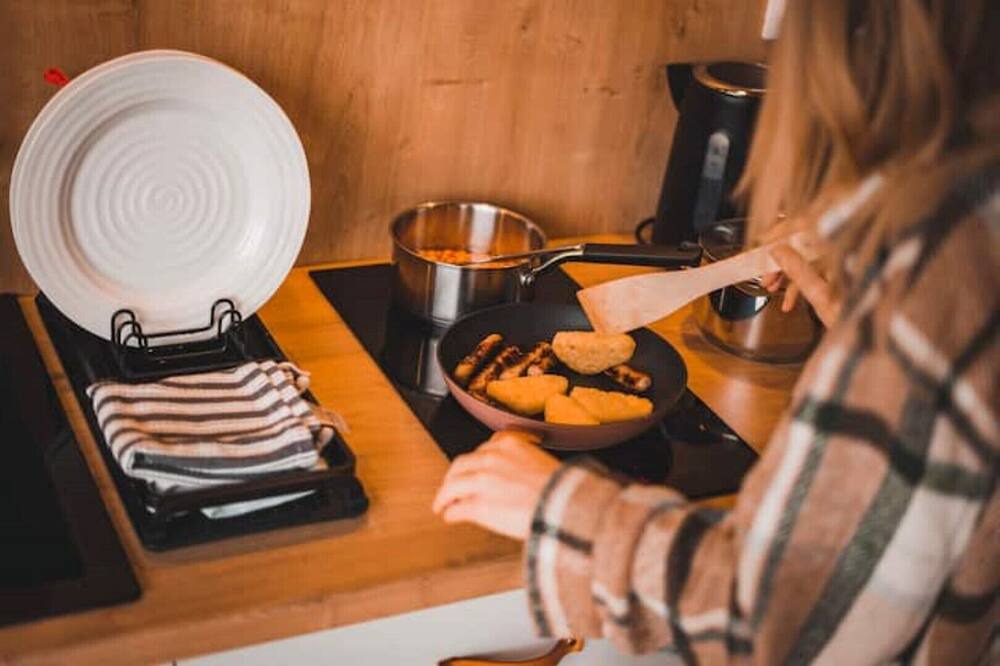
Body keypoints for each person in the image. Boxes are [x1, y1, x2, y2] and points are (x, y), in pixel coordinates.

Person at [432, 0, 999, 663]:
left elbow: (786, 625)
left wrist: (556, 508)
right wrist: (867, 335)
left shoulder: (940, 260)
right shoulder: (967, 227)